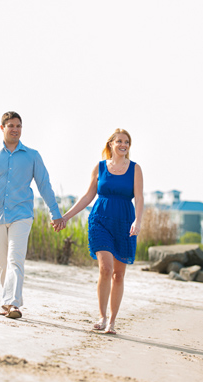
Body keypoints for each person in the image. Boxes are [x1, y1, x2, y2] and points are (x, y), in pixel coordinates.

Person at [0, 111, 65, 319]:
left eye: (18, 126)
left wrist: (55, 213)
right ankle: (8, 302)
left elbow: (44, 185)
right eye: (11, 126)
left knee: (16, 259)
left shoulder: (32, 156)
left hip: (22, 215)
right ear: (2, 128)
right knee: (3, 263)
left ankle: (13, 304)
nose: (15, 130)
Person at [58, 128, 144, 334]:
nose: (123, 145)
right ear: (111, 144)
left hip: (125, 222)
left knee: (119, 275)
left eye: (127, 142)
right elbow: (88, 197)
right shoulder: (100, 167)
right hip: (100, 220)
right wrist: (66, 217)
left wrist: (138, 221)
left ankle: (112, 321)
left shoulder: (135, 169)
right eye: (120, 141)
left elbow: (139, 198)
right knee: (105, 268)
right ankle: (102, 316)